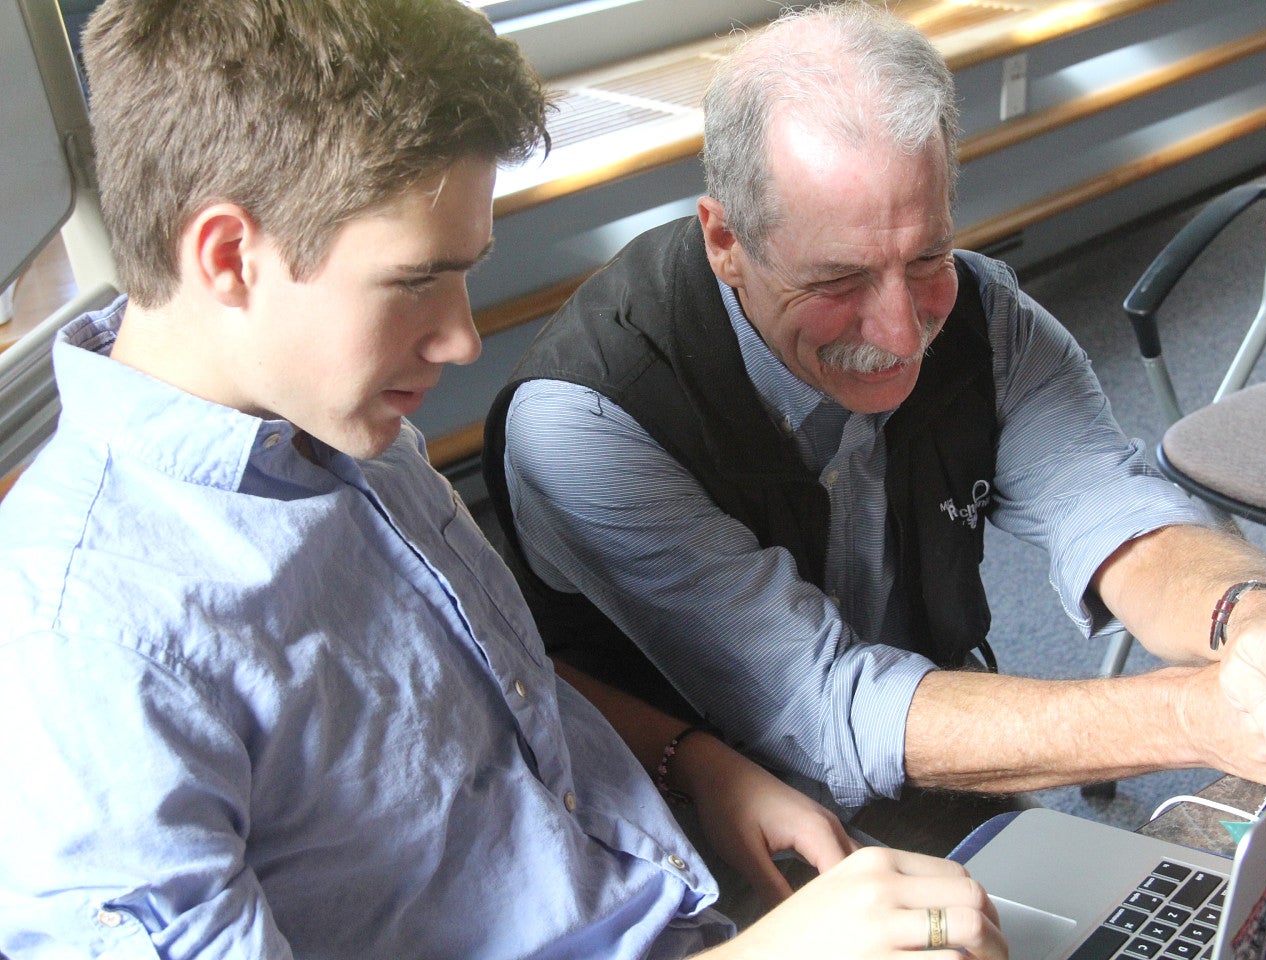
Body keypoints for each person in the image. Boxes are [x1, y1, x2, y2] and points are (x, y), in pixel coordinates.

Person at [0, 1, 1008, 957]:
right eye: (415, 281)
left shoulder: (343, 432)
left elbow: (467, 689)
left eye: (465, 272)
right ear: (228, 254)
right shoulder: (87, 651)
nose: (463, 338)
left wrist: (693, 765)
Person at [484, 1, 1266, 857]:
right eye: (838, 280)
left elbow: (1115, 510)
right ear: (725, 240)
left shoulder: (985, 314)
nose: (899, 330)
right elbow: (820, 703)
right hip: (677, 806)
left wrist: (1252, 615)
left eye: (926, 256)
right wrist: (1191, 716)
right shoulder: (589, 421)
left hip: (916, 746)